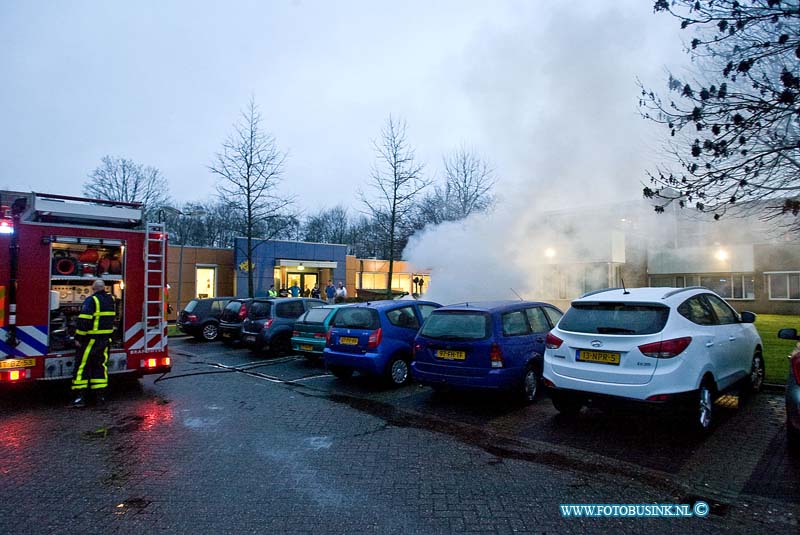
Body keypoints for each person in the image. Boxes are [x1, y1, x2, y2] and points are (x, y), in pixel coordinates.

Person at [72, 279, 116, 407]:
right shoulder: (110, 300)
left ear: (93, 288)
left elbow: (84, 321)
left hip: (90, 340)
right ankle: (100, 397)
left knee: (82, 366)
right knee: (100, 366)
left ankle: (79, 398)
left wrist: (78, 338)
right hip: (105, 339)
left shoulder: (91, 300)